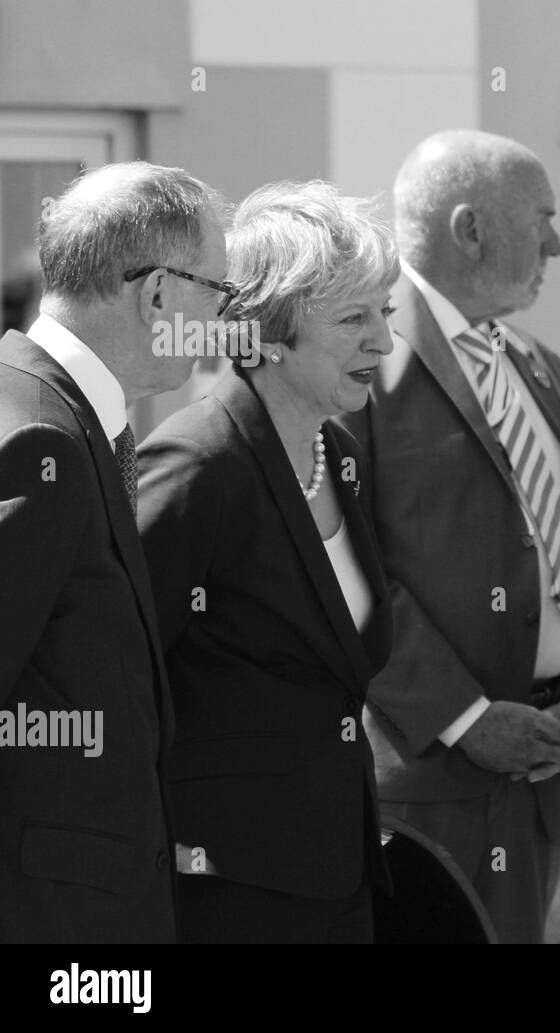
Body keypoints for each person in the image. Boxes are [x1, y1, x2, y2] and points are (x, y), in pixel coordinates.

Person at [339, 130, 560, 944]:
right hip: (422, 789)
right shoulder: (362, 366)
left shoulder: (541, 367)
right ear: (470, 230)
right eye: (543, 218)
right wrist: (465, 717)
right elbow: (345, 570)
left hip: (540, 781)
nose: (558, 243)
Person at [135, 181, 396, 943]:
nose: (382, 341)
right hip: (227, 889)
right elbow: (114, 668)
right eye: (355, 318)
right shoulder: (197, 462)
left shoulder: (338, 453)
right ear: (266, 331)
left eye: (387, 313)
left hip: (337, 874)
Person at [0, 161, 227, 942]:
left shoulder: (51, 411)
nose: (226, 324)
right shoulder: (35, 432)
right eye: (219, 295)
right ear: (158, 294)